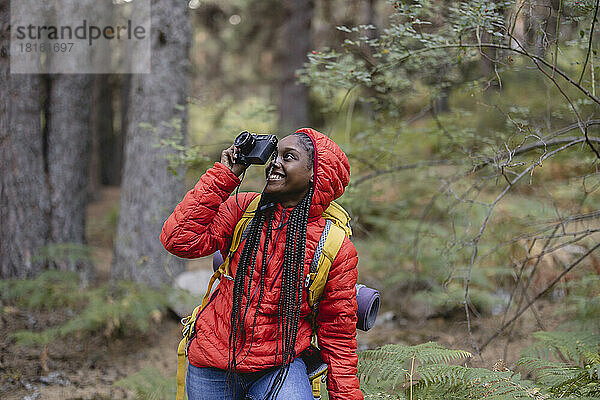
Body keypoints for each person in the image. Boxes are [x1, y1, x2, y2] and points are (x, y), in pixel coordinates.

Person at [160, 127, 362, 400]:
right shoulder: (244, 209)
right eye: (274, 156)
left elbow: (337, 332)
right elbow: (178, 240)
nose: (274, 163)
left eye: (288, 157)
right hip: (211, 362)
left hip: (278, 367)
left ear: (317, 173)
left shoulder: (334, 246)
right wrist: (225, 175)